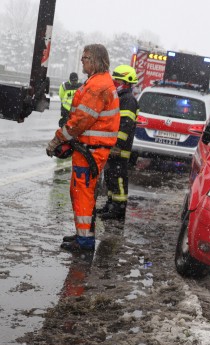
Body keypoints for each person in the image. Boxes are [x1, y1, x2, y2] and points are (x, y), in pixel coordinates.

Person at [45, 44, 120, 253]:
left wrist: (57, 140)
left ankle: (85, 242)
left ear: (95, 60)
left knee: (83, 194)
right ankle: (82, 234)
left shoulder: (97, 87)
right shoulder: (98, 82)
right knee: (81, 193)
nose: (82, 61)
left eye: (85, 57)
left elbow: (80, 122)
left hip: (91, 151)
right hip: (89, 149)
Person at [98, 65, 140, 220]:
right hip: (112, 146)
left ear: (127, 82)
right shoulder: (120, 98)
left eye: (117, 80)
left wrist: (117, 144)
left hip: (119, 149)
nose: (114, 82)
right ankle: (110, 205)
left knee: (119, 179)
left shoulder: (128, 100)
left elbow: (125, 125)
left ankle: (118, 210)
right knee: (110, 177)